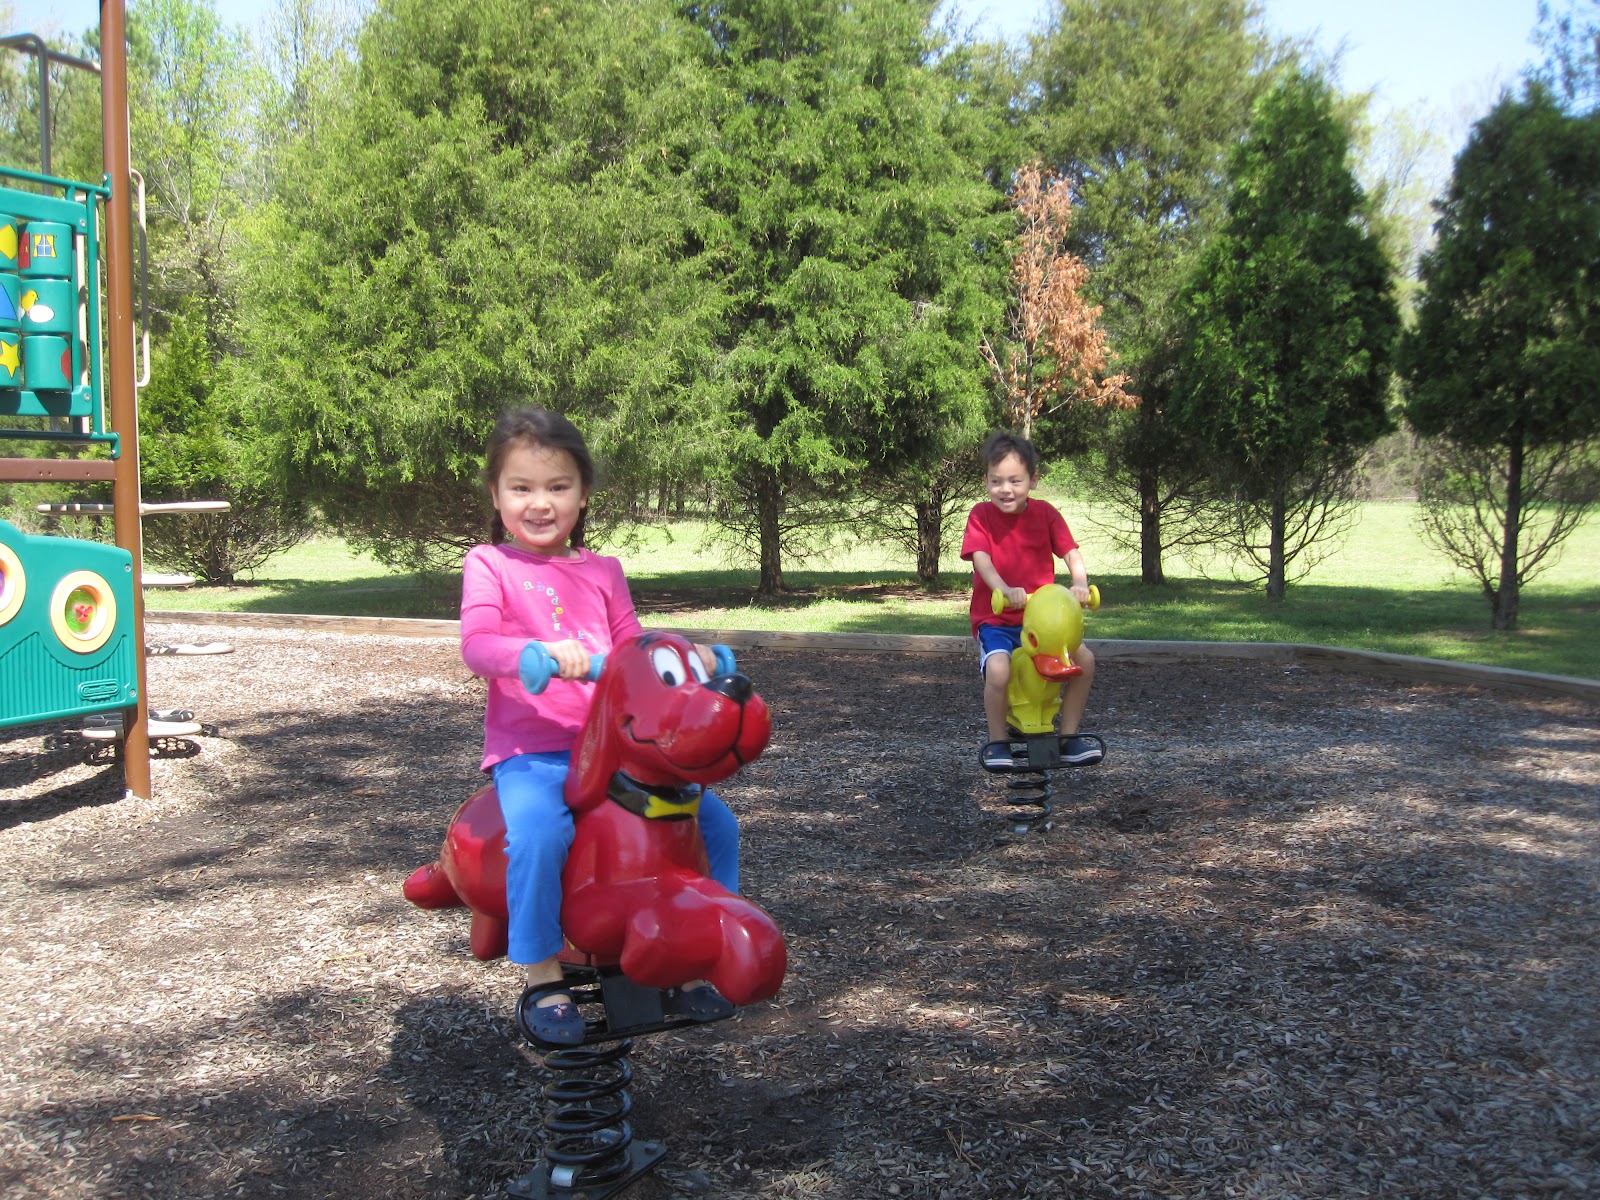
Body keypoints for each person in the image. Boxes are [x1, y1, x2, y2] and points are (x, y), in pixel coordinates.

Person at [460, 406, 739, 1046]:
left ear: (583, 495)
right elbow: (476, 643)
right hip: (536, 748)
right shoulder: (490, 565)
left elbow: (632, 650)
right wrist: (529, 656)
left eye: (557, 487)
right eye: (521, 488)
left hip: (614, 749)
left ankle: (703, 941)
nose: (539, 503)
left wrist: (688, 660)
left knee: (714, 822)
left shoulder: (603, 570)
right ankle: (540, 971)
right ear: (497, 494)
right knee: (536, 833)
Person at [960, 429, 1102, 771]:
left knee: (1085, 661)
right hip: (997, 619)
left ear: (1033, 480)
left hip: (1043, 620)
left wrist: (1079, 583)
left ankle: (1068, 738)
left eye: (1015, 480)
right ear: (986, 482)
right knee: (998, 669)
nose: (1005, 489)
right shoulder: (980, 516)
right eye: (996, 481)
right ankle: (998, 742)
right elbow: (982, 559)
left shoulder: (1045, 514)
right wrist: (1004, 589)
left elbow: (1071, 553)